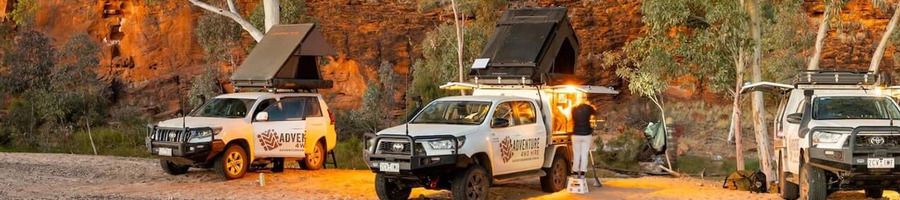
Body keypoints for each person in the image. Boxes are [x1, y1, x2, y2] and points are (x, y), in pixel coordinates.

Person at [571, 97, 597, 179]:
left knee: (576, 154)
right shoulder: (588, 108)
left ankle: (575, 173)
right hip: (586, 134)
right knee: (584, 154)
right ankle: (582, 174)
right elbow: (595, 113)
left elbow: (573, 119)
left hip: (576, 134)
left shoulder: (573, 108)